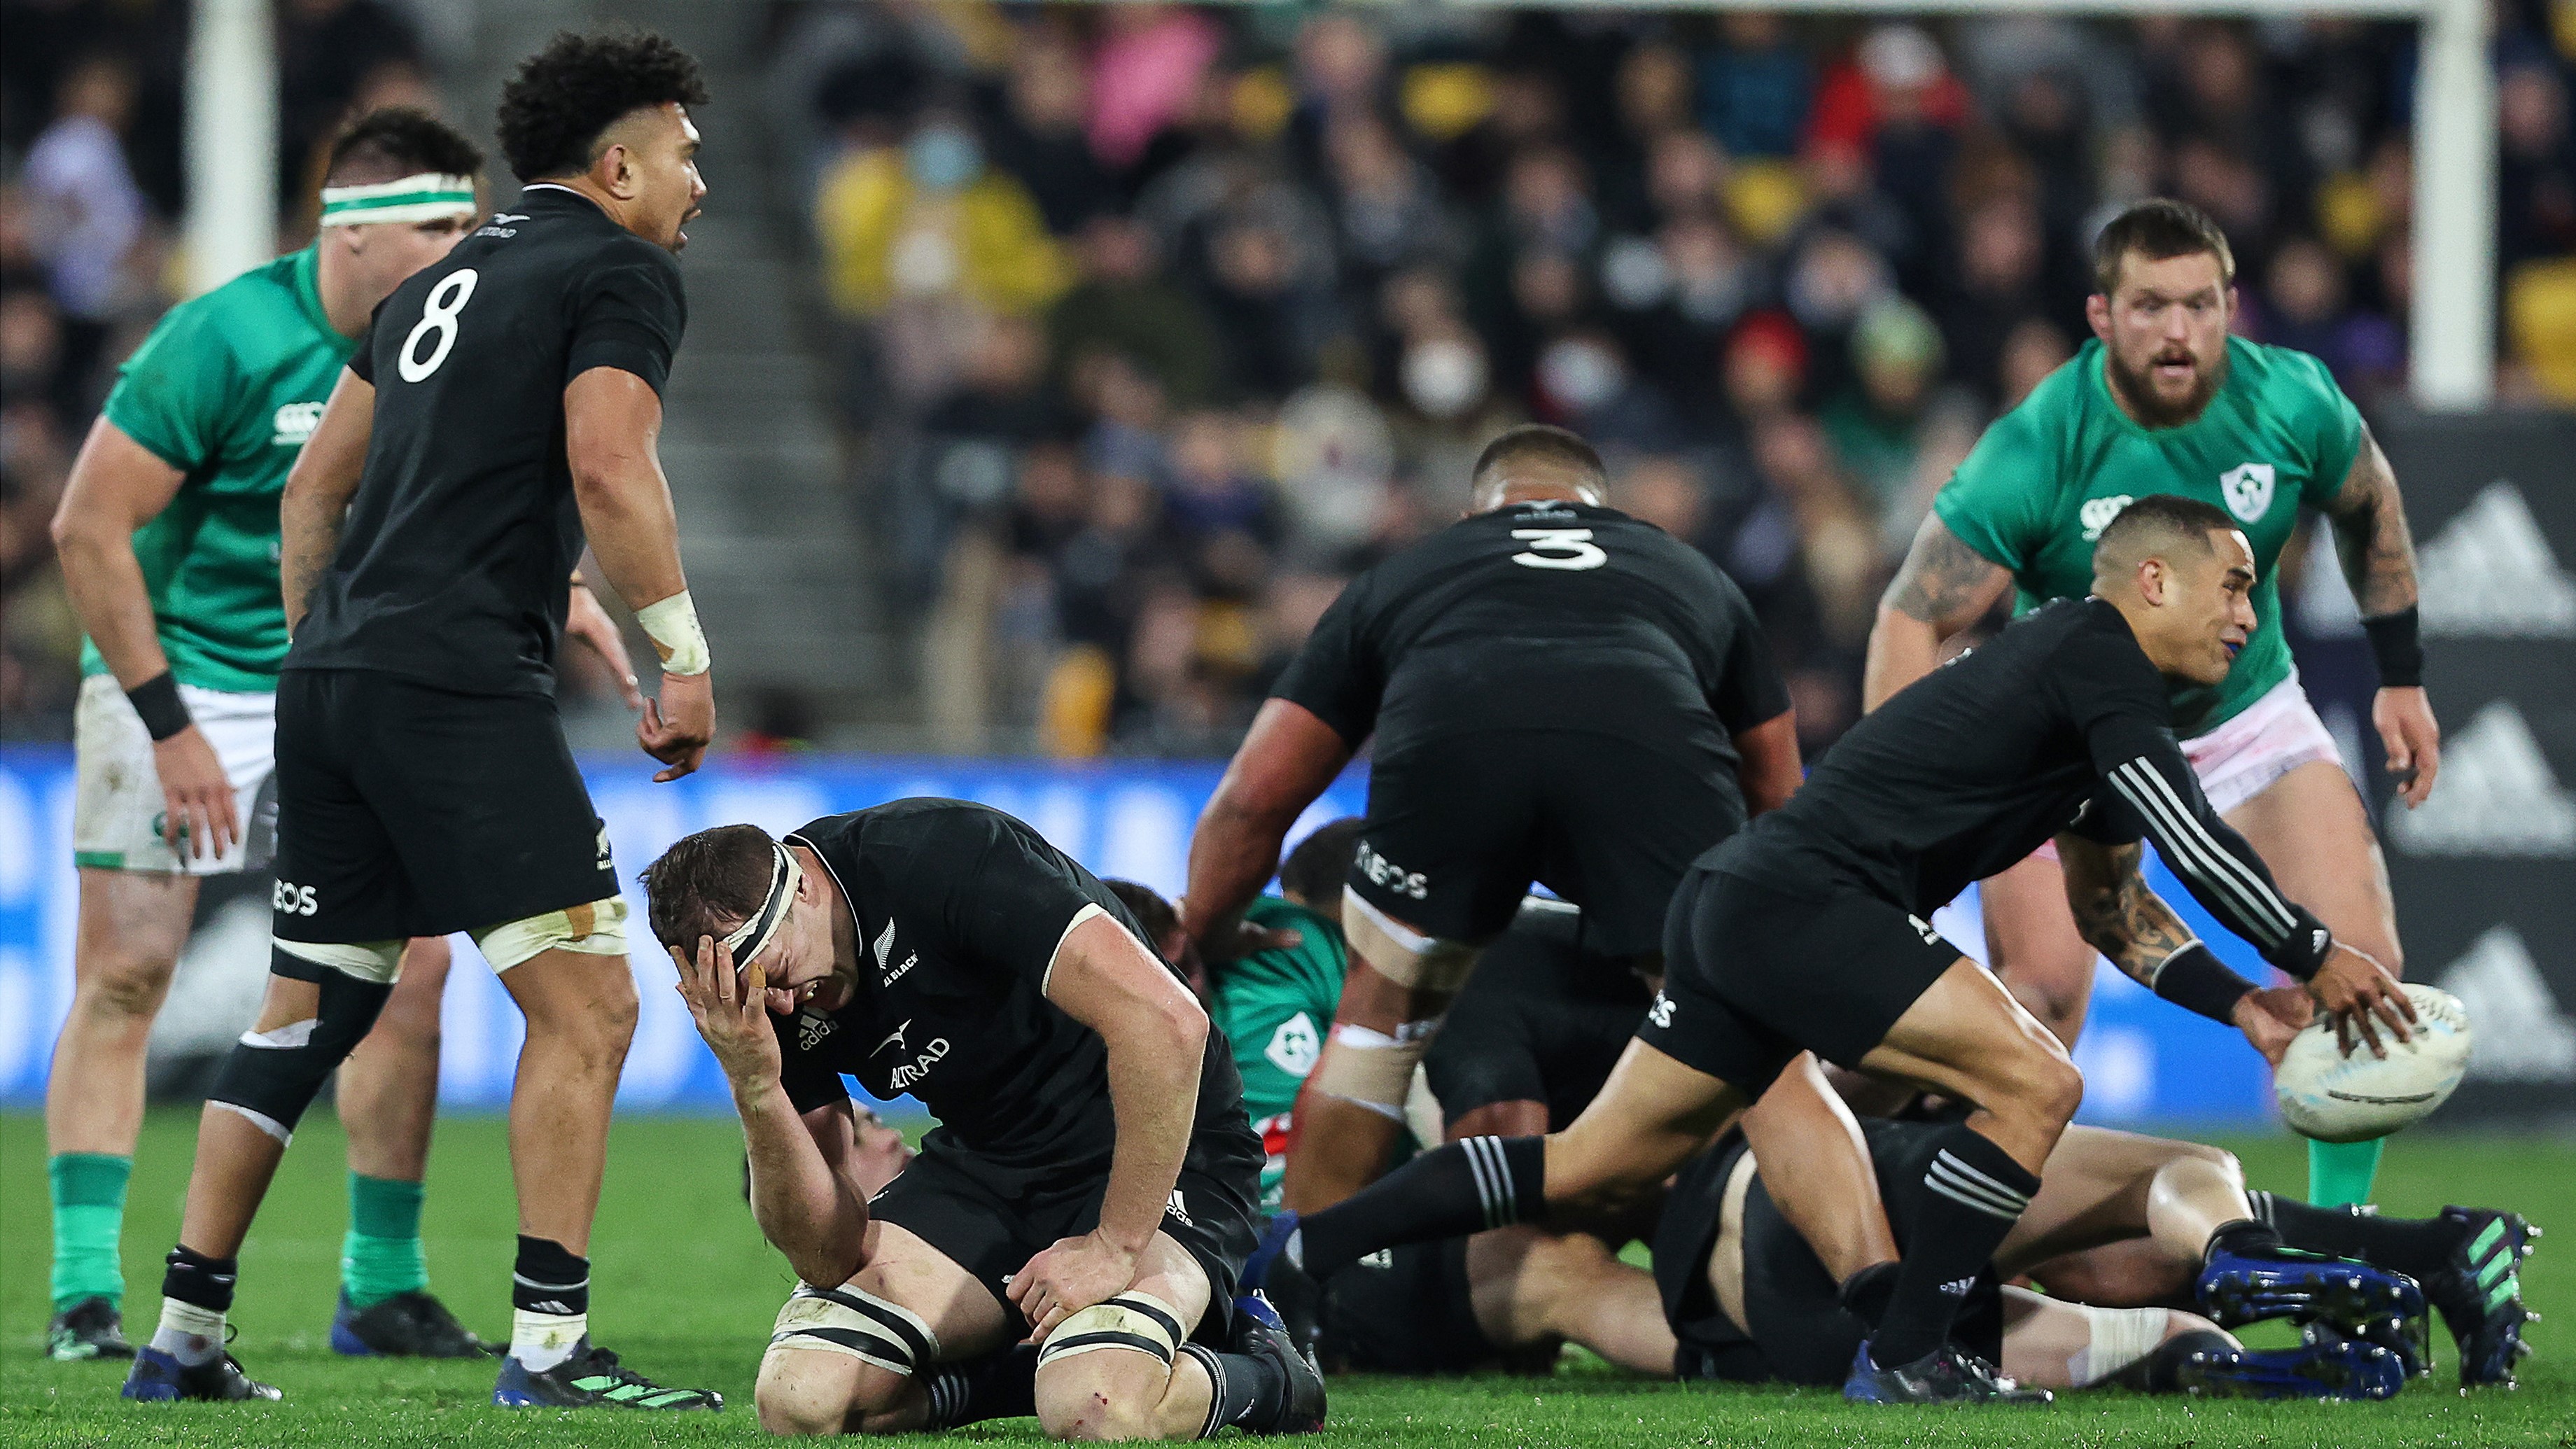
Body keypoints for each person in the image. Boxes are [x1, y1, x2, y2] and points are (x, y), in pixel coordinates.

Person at [1242, 494, 2416, 1406]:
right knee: (2036, 1079)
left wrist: (2244, 1006)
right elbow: (2192, 831)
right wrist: (2313, 949)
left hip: (1734, 903)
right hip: (1809, 901)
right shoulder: (2094, 651)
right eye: (2235, 584)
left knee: (1594, 1161)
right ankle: (1912, 1351)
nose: (2249, 616)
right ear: (2151, 579)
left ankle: (1300, 1255)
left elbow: (2119, 912)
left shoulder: (2088, 704)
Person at [122, 33, 720, 1410]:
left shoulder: (443, 274)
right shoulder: (619, 269)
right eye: (685, 154)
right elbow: (609, 464)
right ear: (617, 164)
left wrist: (329, 649)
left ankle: (183, 1340)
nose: (701, 182)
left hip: (332, 679)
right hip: (454, 686)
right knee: (589, 1003)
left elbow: (310, 494)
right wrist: (680, 653)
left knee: (306, 1013)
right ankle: (552, 1353)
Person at [44, 108, 594, 1364]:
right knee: (130, 968)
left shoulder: (442, 340)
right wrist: (169, 725)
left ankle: (380, 1287)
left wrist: (568, 600)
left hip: (339, 676)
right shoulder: (224, 336)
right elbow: (88, 527)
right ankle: (84, 1293)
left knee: (410, 976)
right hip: (176, 673)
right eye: (437, 226)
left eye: (473, 222)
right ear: (348, 238)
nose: (466, 246)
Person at [1865, 197, 2435, 1214]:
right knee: (2032, 1002)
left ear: (2232, 305)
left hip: (2246, 716)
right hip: (2063, 749)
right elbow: (1914, 613)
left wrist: (2401, 674)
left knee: (2365, 982)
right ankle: (1933, 1229)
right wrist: (1903, 792)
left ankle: (2343, 1257)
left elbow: (2370, 503)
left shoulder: (2291, 398)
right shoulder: (2040, 441)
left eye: (2202, 304)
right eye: (2151, 306)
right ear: (2100, 315)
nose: (2179, 331)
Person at [1182, 424, 1802, 1213]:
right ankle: (1801, 1278)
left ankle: (1303, 1293)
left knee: (1379, 1021)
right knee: (1729, 1021)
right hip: (1646, 744)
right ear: (1598, 509)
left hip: (1456, 737)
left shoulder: (1407, 574)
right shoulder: (1687, 571)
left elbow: (1254, 798)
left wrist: (1202, 934)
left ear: (1476, 519)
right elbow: (1780, 800)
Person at [645, 802, 1324, 1439]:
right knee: (801, 1398)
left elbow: (1169, 1025)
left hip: (1162, 1152)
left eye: (780, 973)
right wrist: (754, 1082)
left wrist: (1114, 1246)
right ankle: (1013, 1376)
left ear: (800, 889)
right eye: (754, 992)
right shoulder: (764, 1001)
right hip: (990, 1163)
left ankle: (1267, 1378)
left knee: (1096, 1408)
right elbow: (823, 1254)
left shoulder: (939, 857)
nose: (785, 1005)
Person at [1658, 1060, 2432, 1401]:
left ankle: (2209, 1363)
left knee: (2156, 1340)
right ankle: (2240, 1255)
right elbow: (1878, 1066)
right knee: (2183, 1167)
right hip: (1830, 1208)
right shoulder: (1774, 1109)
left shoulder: (1658, 1262)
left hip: (1801, 1338)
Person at [1107, 818, 1363, 1213]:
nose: (1189, 990)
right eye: (1167, 976)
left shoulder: (1284, 952)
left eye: (1189, 964)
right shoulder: (1073, 1060)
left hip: (1353, 1219)